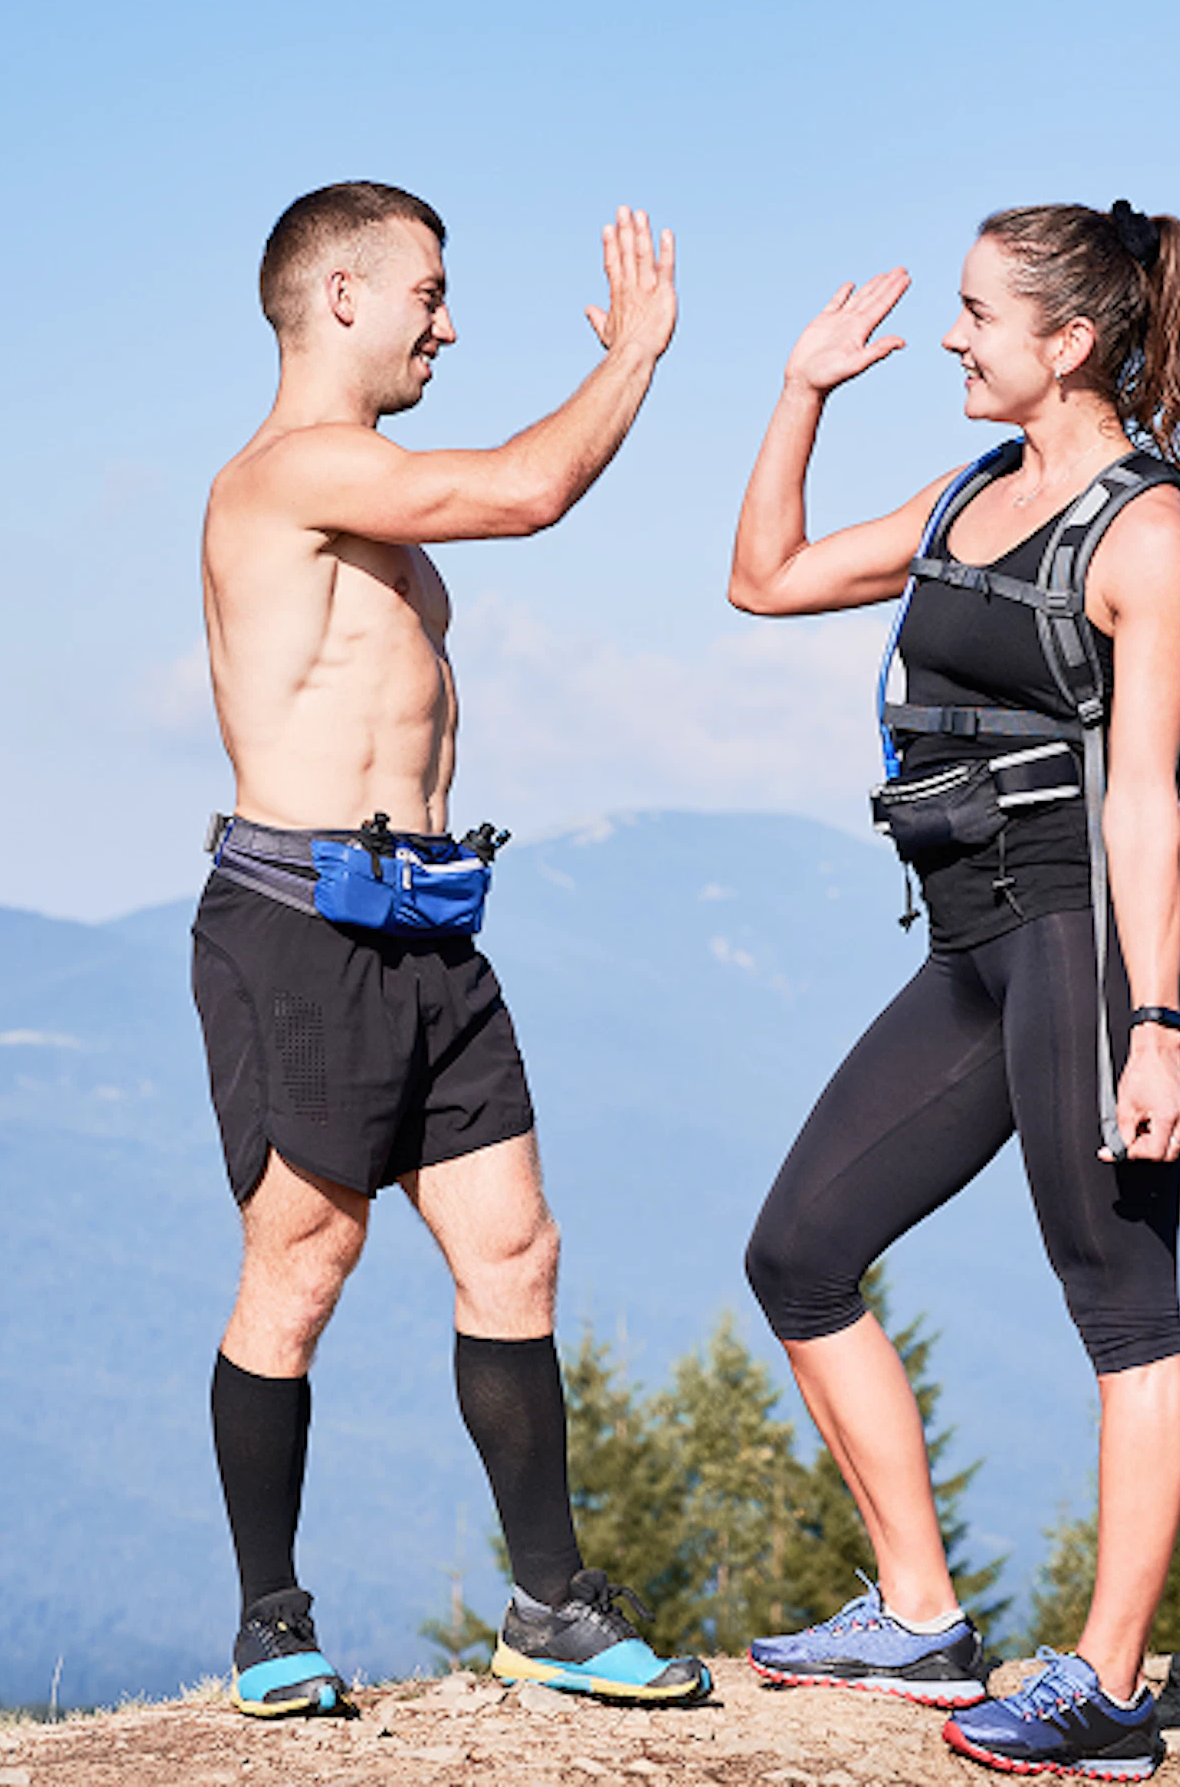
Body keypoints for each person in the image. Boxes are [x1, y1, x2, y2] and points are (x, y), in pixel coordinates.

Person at [193, 181, 712, 1717]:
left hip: (429, 923)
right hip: (299, 927)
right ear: (340, 297)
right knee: (303, 1262)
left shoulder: (366, 497)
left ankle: (551, 1606)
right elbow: (530, 490)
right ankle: (272, 1626)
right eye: (427, 290)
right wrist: (639, 356)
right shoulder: (287, 477)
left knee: (515, 1251)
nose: (449, 318)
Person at [724, 202, 1180, 1782]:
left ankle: (1115, 1692)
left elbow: (1145, 799)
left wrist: (1154, 1030)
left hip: (1093, 947)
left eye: (974, 316)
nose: (949, 337)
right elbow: (768, 579)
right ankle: (921, 1618)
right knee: (798, 1250)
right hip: (970, 944)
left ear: (1067, 343)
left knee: (1122, 1310)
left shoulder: (1145, 535)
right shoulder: (967, 496)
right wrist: (800, 390)